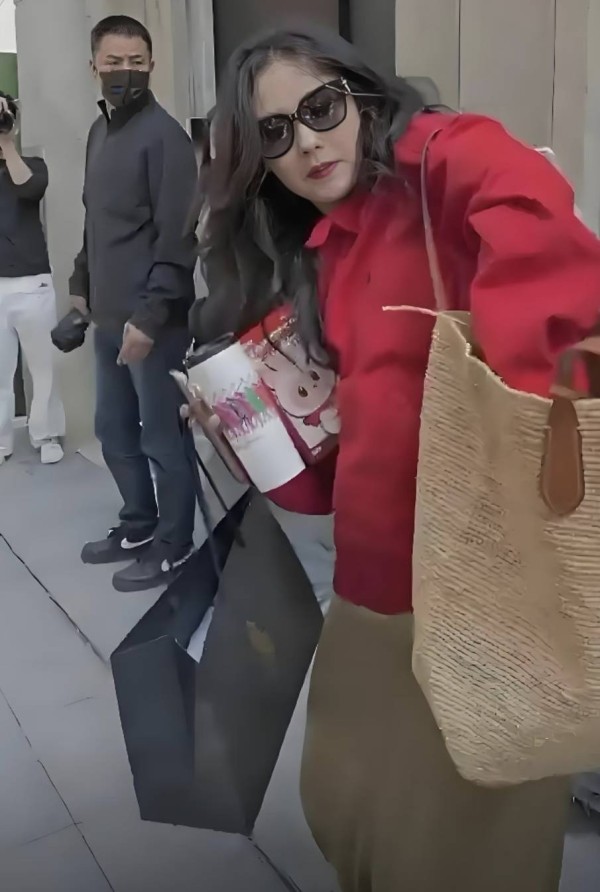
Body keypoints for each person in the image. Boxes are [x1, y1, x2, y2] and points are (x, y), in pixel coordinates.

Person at [198, 23, 600, 892]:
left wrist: (516, 402)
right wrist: (254, 430)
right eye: (276, 133)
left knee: (462, 849)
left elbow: (548, 246)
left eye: (321, 108)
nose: (308, 142)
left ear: (362, 95)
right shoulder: (325, 250)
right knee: (344, 803)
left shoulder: (442, 161)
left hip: (480, 593)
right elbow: (335, 471)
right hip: (372, 586)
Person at [69, 16, 197, 593]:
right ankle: (139, 526)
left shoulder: (165, 139)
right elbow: (96, 221)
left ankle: (174, 544)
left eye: (136, 63)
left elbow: (178, 240)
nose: (126, 72)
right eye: (114, 62)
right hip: (106, 318)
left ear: (151, 65)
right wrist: (81, 281)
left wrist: (149, 318)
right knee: (114, 431)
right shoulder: (100, 133)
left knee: (162, 439)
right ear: (93, 65)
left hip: (153, 324)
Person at [0, 91, 65, 466]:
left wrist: (6, 141)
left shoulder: (33, 166)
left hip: (32, 283)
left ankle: (47, 434)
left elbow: (29, 188)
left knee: (44, 367)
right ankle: (2, 440)